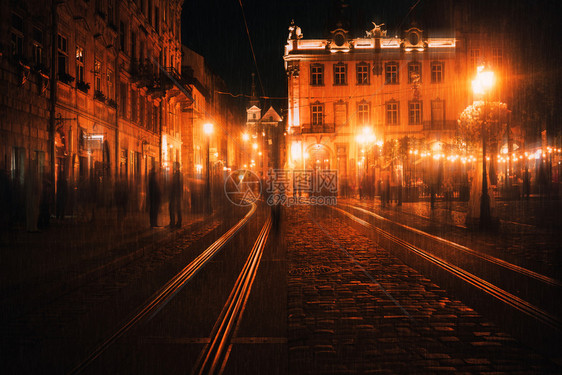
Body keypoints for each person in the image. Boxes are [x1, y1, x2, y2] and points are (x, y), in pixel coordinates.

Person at [168, 163, 182, 228]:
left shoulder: (177, 175)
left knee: (172, 208)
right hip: (177, 194)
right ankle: (177, 222)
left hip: (175, 194)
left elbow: (175, 185)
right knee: (177, 208)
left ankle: (173, 222)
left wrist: (173, 193)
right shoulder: (179, 174)